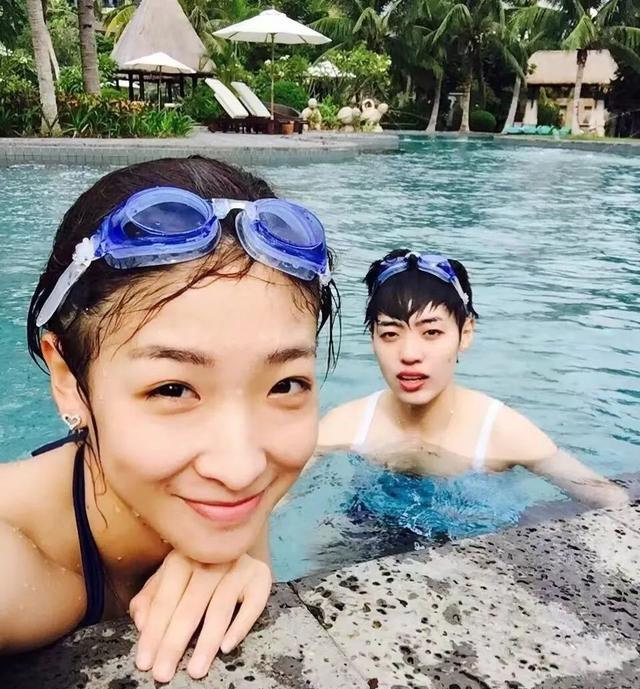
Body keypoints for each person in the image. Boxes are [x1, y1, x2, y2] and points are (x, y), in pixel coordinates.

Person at [0, 157, 338, 682]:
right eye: (172, 389)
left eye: (284, 385)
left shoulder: (228, 491)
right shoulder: (16, 567)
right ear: (67, 377)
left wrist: (232, 554)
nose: (242, 470)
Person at [318, 249, 627, 509]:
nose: (409, 354)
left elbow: (610, 501)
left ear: (465, 333)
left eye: (431, 332)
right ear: (372, 338)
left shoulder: (503, 432)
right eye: (390, 334)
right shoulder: (346, 426)